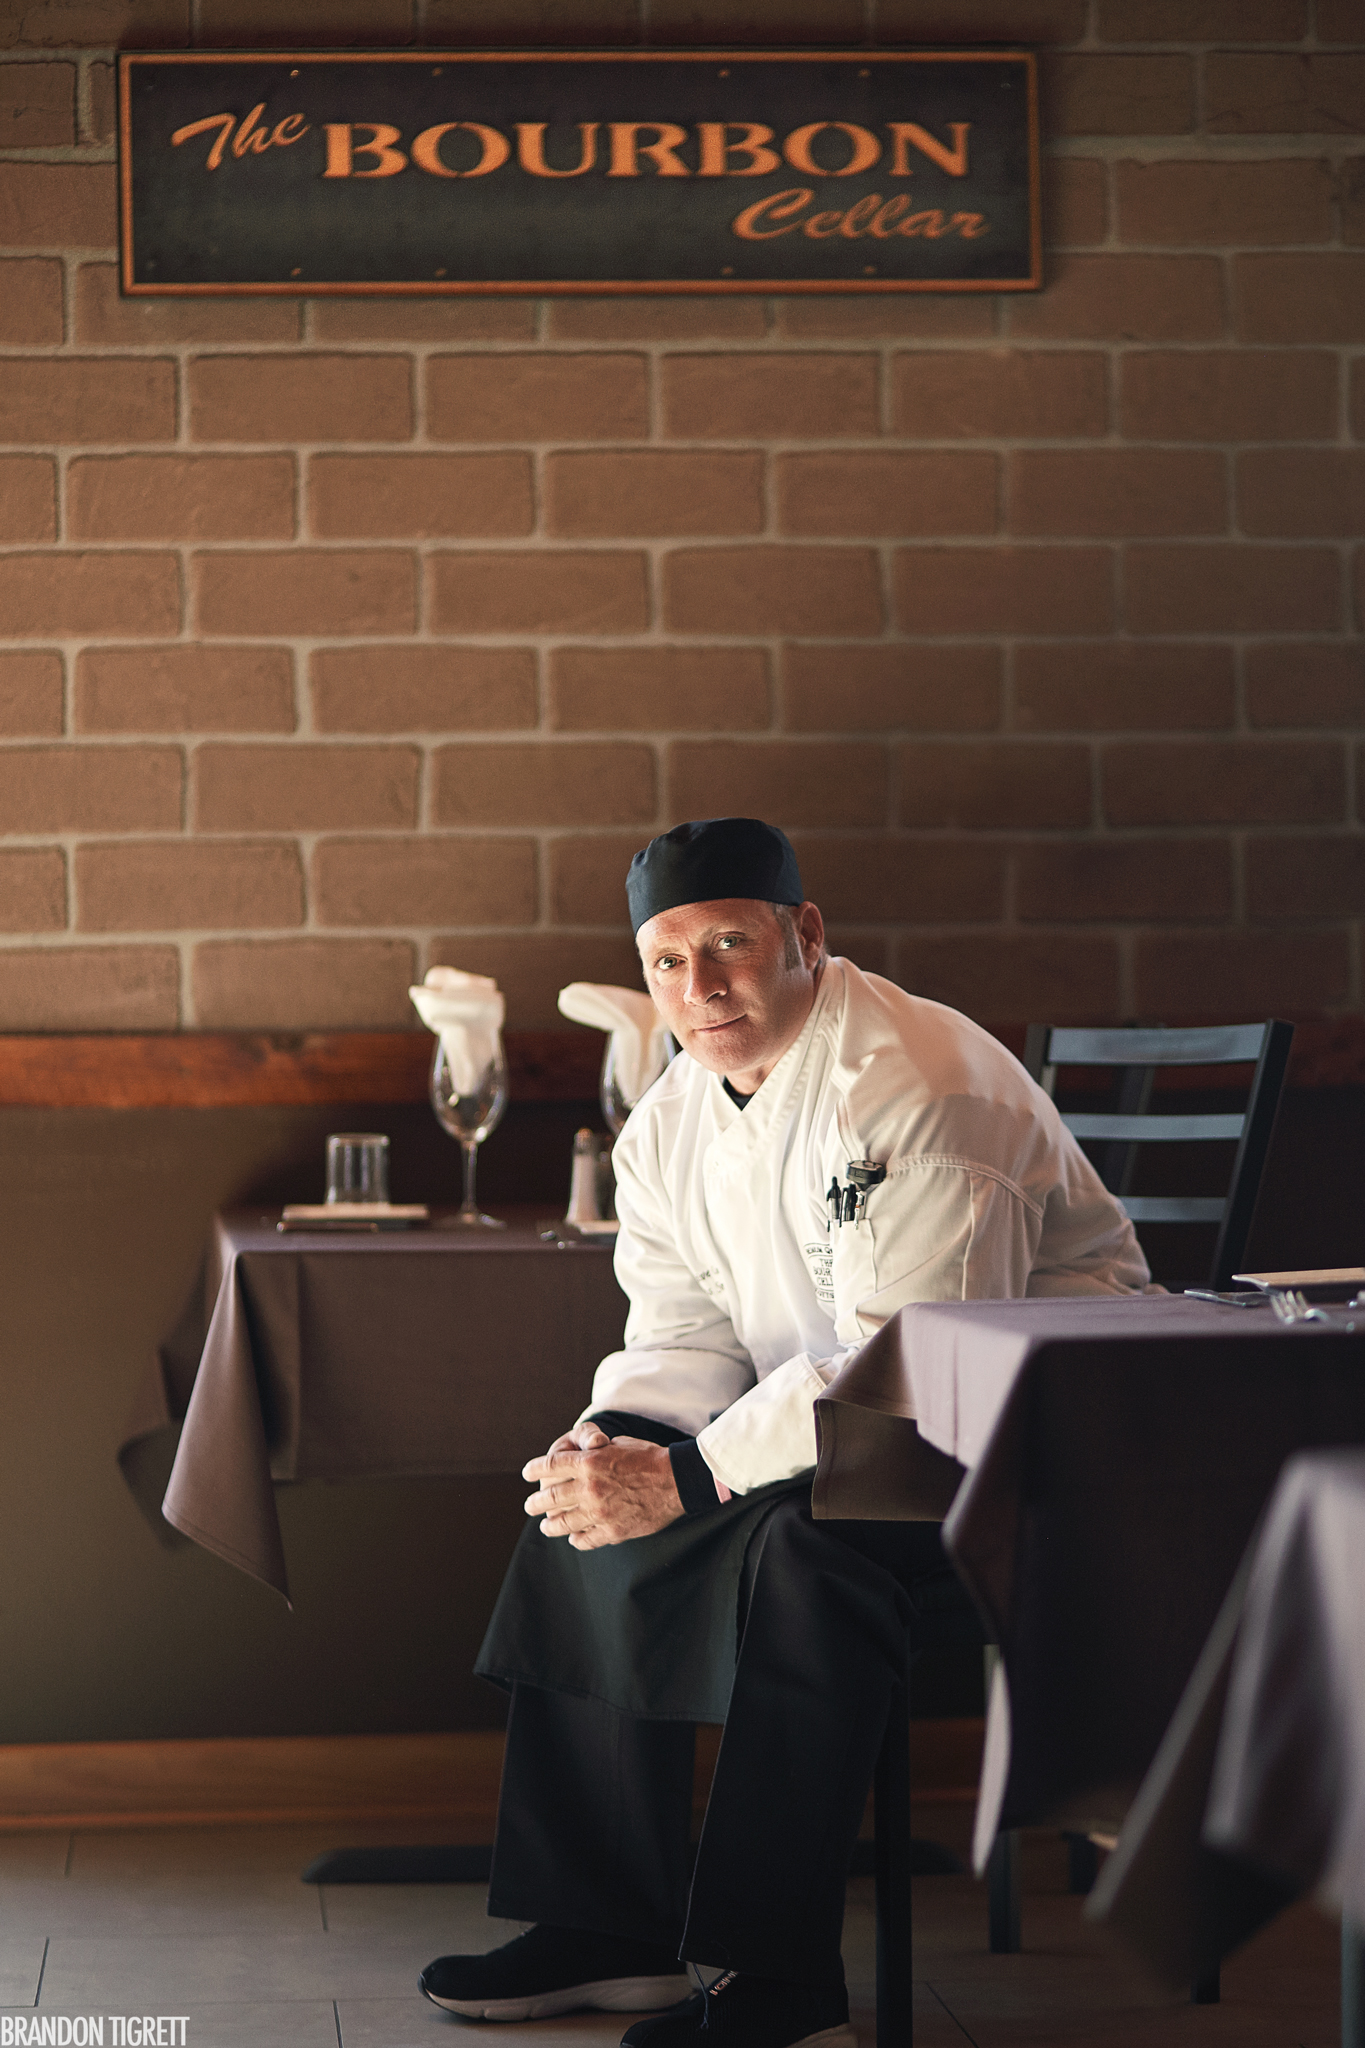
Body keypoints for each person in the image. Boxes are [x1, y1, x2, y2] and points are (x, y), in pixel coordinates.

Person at [419, 818, 1150, 2048]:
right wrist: (617, 1443)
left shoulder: (923, 1081)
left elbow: (910, 1362)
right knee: (580, 1503)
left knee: (812, 1557)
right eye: (666, 961)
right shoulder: (671, 1119)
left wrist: (692, 1473)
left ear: (805, 934)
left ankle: (783, 1987)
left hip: (1029, 1451)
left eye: (730, 945)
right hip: (844, 1436)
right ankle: (611, 1926)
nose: (698, 989)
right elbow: (683, 1331)